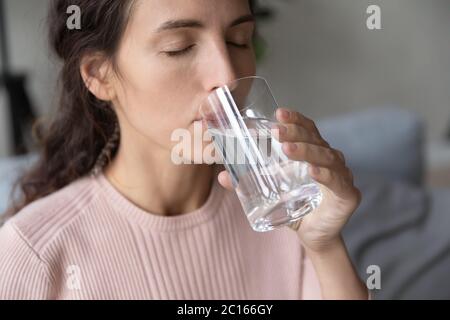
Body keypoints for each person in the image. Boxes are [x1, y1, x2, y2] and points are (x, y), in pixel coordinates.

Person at [0, 0, 367, 300]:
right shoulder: (33, 254)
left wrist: (325, 246)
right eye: (180, 48)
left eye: (240, 40)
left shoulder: (284, 206)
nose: (225, 75)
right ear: (99, 74)